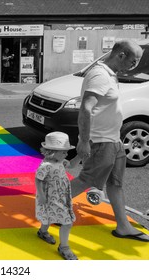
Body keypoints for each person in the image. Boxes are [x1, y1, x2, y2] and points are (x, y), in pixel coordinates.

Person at [71, 39, 149, 242]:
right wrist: (85, 141)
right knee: (87, 180)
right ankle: (50, 206)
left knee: (115, 184)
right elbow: (85, 109)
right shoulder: (99, 75)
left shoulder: (110, 75)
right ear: (121, 55)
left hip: (113, 140)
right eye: (133, 62)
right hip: (100, 140)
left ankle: (123, 227)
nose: (134, 67)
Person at [35, 131, 81, 260]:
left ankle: (43, 232)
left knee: (48, 216)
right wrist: (42, 196)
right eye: (63, 152)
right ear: (52, 152)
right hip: (50, 197)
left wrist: (80, 156)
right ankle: (64, 247)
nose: (66, 154)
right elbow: (38, 179)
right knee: (67, 222)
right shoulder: (46, 165)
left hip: (61, 195)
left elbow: (71, 165)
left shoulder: (60, 161)